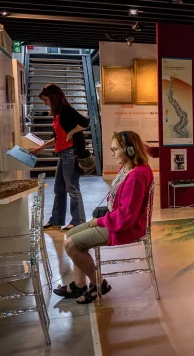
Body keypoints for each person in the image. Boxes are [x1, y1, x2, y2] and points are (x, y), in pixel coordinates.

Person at [53, 131, 154, 304]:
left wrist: (99, 221)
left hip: (125, 228)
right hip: (115, 220)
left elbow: (126, 218)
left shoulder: (136, 175)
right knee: (70, 236)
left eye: (115, 149)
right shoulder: (127, 168)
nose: (112, 153)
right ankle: (79, 284)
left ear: (130, 150)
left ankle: (98, 283)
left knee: (72, 245)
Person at [31, 84, 89, 230]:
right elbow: (57, 138)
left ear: (53, 97)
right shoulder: (57, 113)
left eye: (45, 100)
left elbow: (85, 122)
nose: (45, 103)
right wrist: (41, 147)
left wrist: (71, 133)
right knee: (59, 188)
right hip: (63, 154)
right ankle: (56, 220)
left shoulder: (65, 110)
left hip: (70, 153)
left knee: (72, 188)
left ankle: (78, 221)